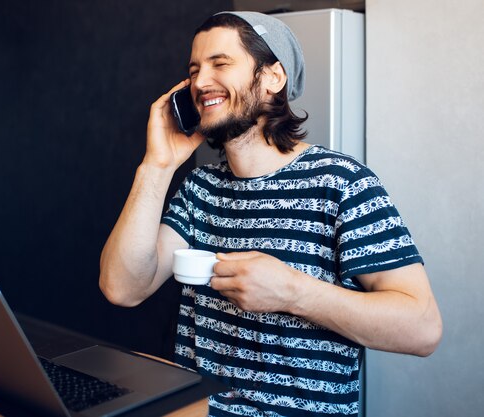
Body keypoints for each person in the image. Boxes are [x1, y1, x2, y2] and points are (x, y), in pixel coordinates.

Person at [99, 11, 442, 417]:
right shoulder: (200, 188)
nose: (200, 82)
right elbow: (123, 288)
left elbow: (422, 328)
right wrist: (156, 166)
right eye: (194, 70)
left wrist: (293, 292)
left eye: (220, 64)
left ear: (273, 78)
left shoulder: (342, 183)